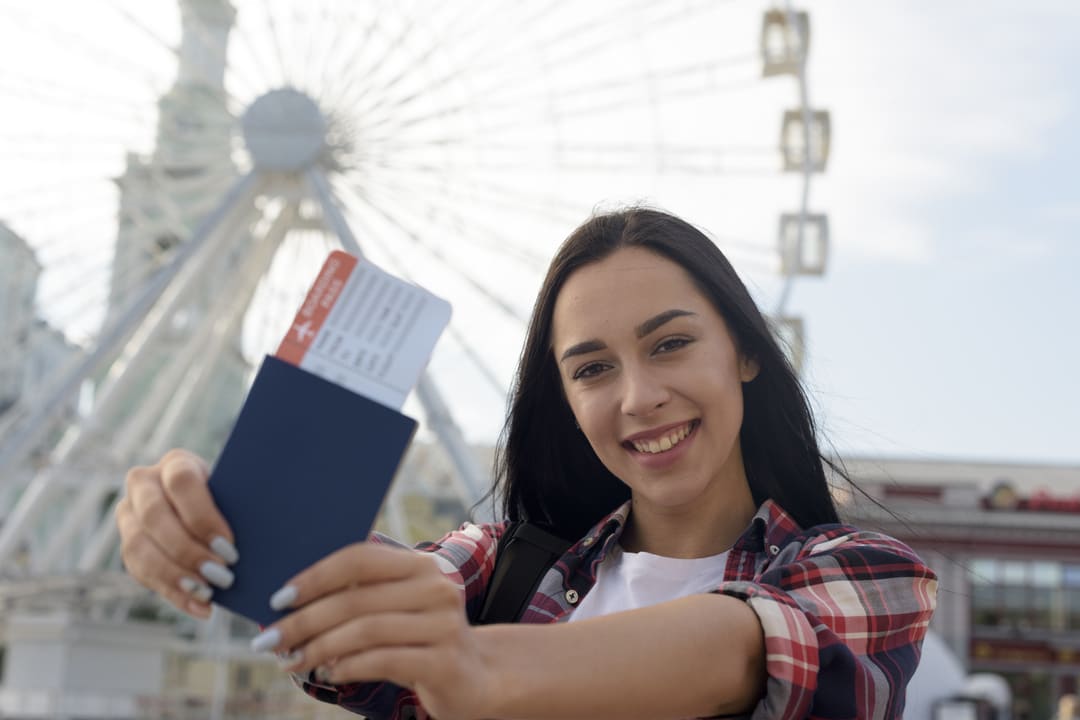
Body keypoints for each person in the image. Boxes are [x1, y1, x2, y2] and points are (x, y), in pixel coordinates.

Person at [117, 207, 937, 719]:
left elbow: (742, 648)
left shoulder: (867, 575)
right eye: (592, 369)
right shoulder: (493, 566)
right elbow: (359, 594)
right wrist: (213, 521)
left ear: (748, 354)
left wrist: (475, 670)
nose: (640, 396)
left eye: (672, 344)